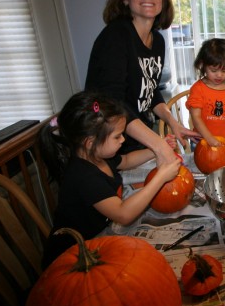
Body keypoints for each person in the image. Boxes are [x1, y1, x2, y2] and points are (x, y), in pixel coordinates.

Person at [38, 91, 180, 267]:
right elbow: (123, 214)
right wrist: (160, 177)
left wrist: (157, 149)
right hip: (73, 259)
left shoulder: (98, 156)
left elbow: (127, 161)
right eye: (117, 136)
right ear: (90, 142)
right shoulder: (83, 176)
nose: (123, 139)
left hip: (97, 241)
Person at [85, 0, 199, 160]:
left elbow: (150, 91)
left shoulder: (158, 41)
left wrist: (173, 122)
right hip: (109, 145)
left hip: (137, 141)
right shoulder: (116, 35)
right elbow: (112, 103)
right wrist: (158, 145)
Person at [186, 38, 225, 146]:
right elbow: (195, 117)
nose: (219, 75)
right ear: (203, 65)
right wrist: (210, 139)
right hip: (202, 140)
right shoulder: (198, 89)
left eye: (224, 70)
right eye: (213, 70)